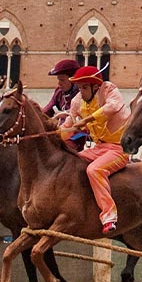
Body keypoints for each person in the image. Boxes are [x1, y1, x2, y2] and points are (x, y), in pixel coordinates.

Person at [58, 65, 131, 233]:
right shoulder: (77, 101)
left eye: (84, 87)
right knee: (71, 163)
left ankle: (109, 215)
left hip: (119, 149)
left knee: (94, 170)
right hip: (99, 148)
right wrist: (51, 135)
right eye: (79, 87)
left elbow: (112, 107)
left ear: (95, 86)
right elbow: (68, 128)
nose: (81, 91)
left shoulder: (109, 89)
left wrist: (87, 120)